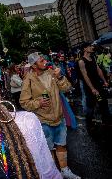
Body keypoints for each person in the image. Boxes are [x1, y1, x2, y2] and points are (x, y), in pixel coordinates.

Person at [19, 51, 81, 179]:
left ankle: (65, 170)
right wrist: (38, 103)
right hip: (43, 121)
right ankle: (53, 173)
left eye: (44, 59)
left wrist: (60, 77)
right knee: (48, 149)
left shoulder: (52, 73)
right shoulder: (28, 80)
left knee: (61, 145)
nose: (45, 62)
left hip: (59, 117)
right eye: (41, 61)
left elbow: (67, 88)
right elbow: (24, 102)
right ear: (34, 65)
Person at [78, 42, 111, 127]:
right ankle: (89, 121)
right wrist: (92, 88)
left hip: (98, 84)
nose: (91, 47)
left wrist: (104, 81)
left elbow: (98, 70)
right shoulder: (81, 61)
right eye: (89, 46)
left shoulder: (93, 57)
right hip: (90, 87)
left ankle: (106, 120)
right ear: (84, 49)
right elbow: (85, 76)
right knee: (91, 105)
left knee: (102, 101)